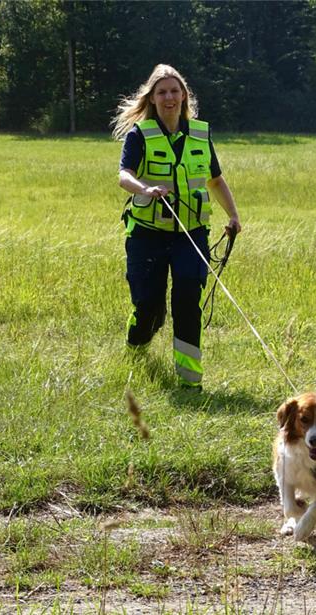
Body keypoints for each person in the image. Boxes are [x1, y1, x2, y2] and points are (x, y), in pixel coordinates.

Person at [112, 64, 241, 389]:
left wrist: (233, 216)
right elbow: (124, 175)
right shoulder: (139, 134)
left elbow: (215, 178)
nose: (168, 97)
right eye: (161, 92)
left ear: (184, 95)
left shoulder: (199, 133)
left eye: (174, 91)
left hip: (191, 233)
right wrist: (144, 189)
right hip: (147, 235)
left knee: (187, 301)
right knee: (150, 308)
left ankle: (189, 379)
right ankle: (137, 337)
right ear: (152, 99)